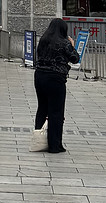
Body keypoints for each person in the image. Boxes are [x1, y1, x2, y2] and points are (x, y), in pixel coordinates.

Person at [32, 18, 80, 153]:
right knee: (56, 112)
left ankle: (38, 141)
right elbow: (75, 58)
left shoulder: (43, 40)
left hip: (39, 76)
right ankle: (54, 145)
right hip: (55, 79)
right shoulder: (64, 43)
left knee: (42, 108)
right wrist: (72, 45)